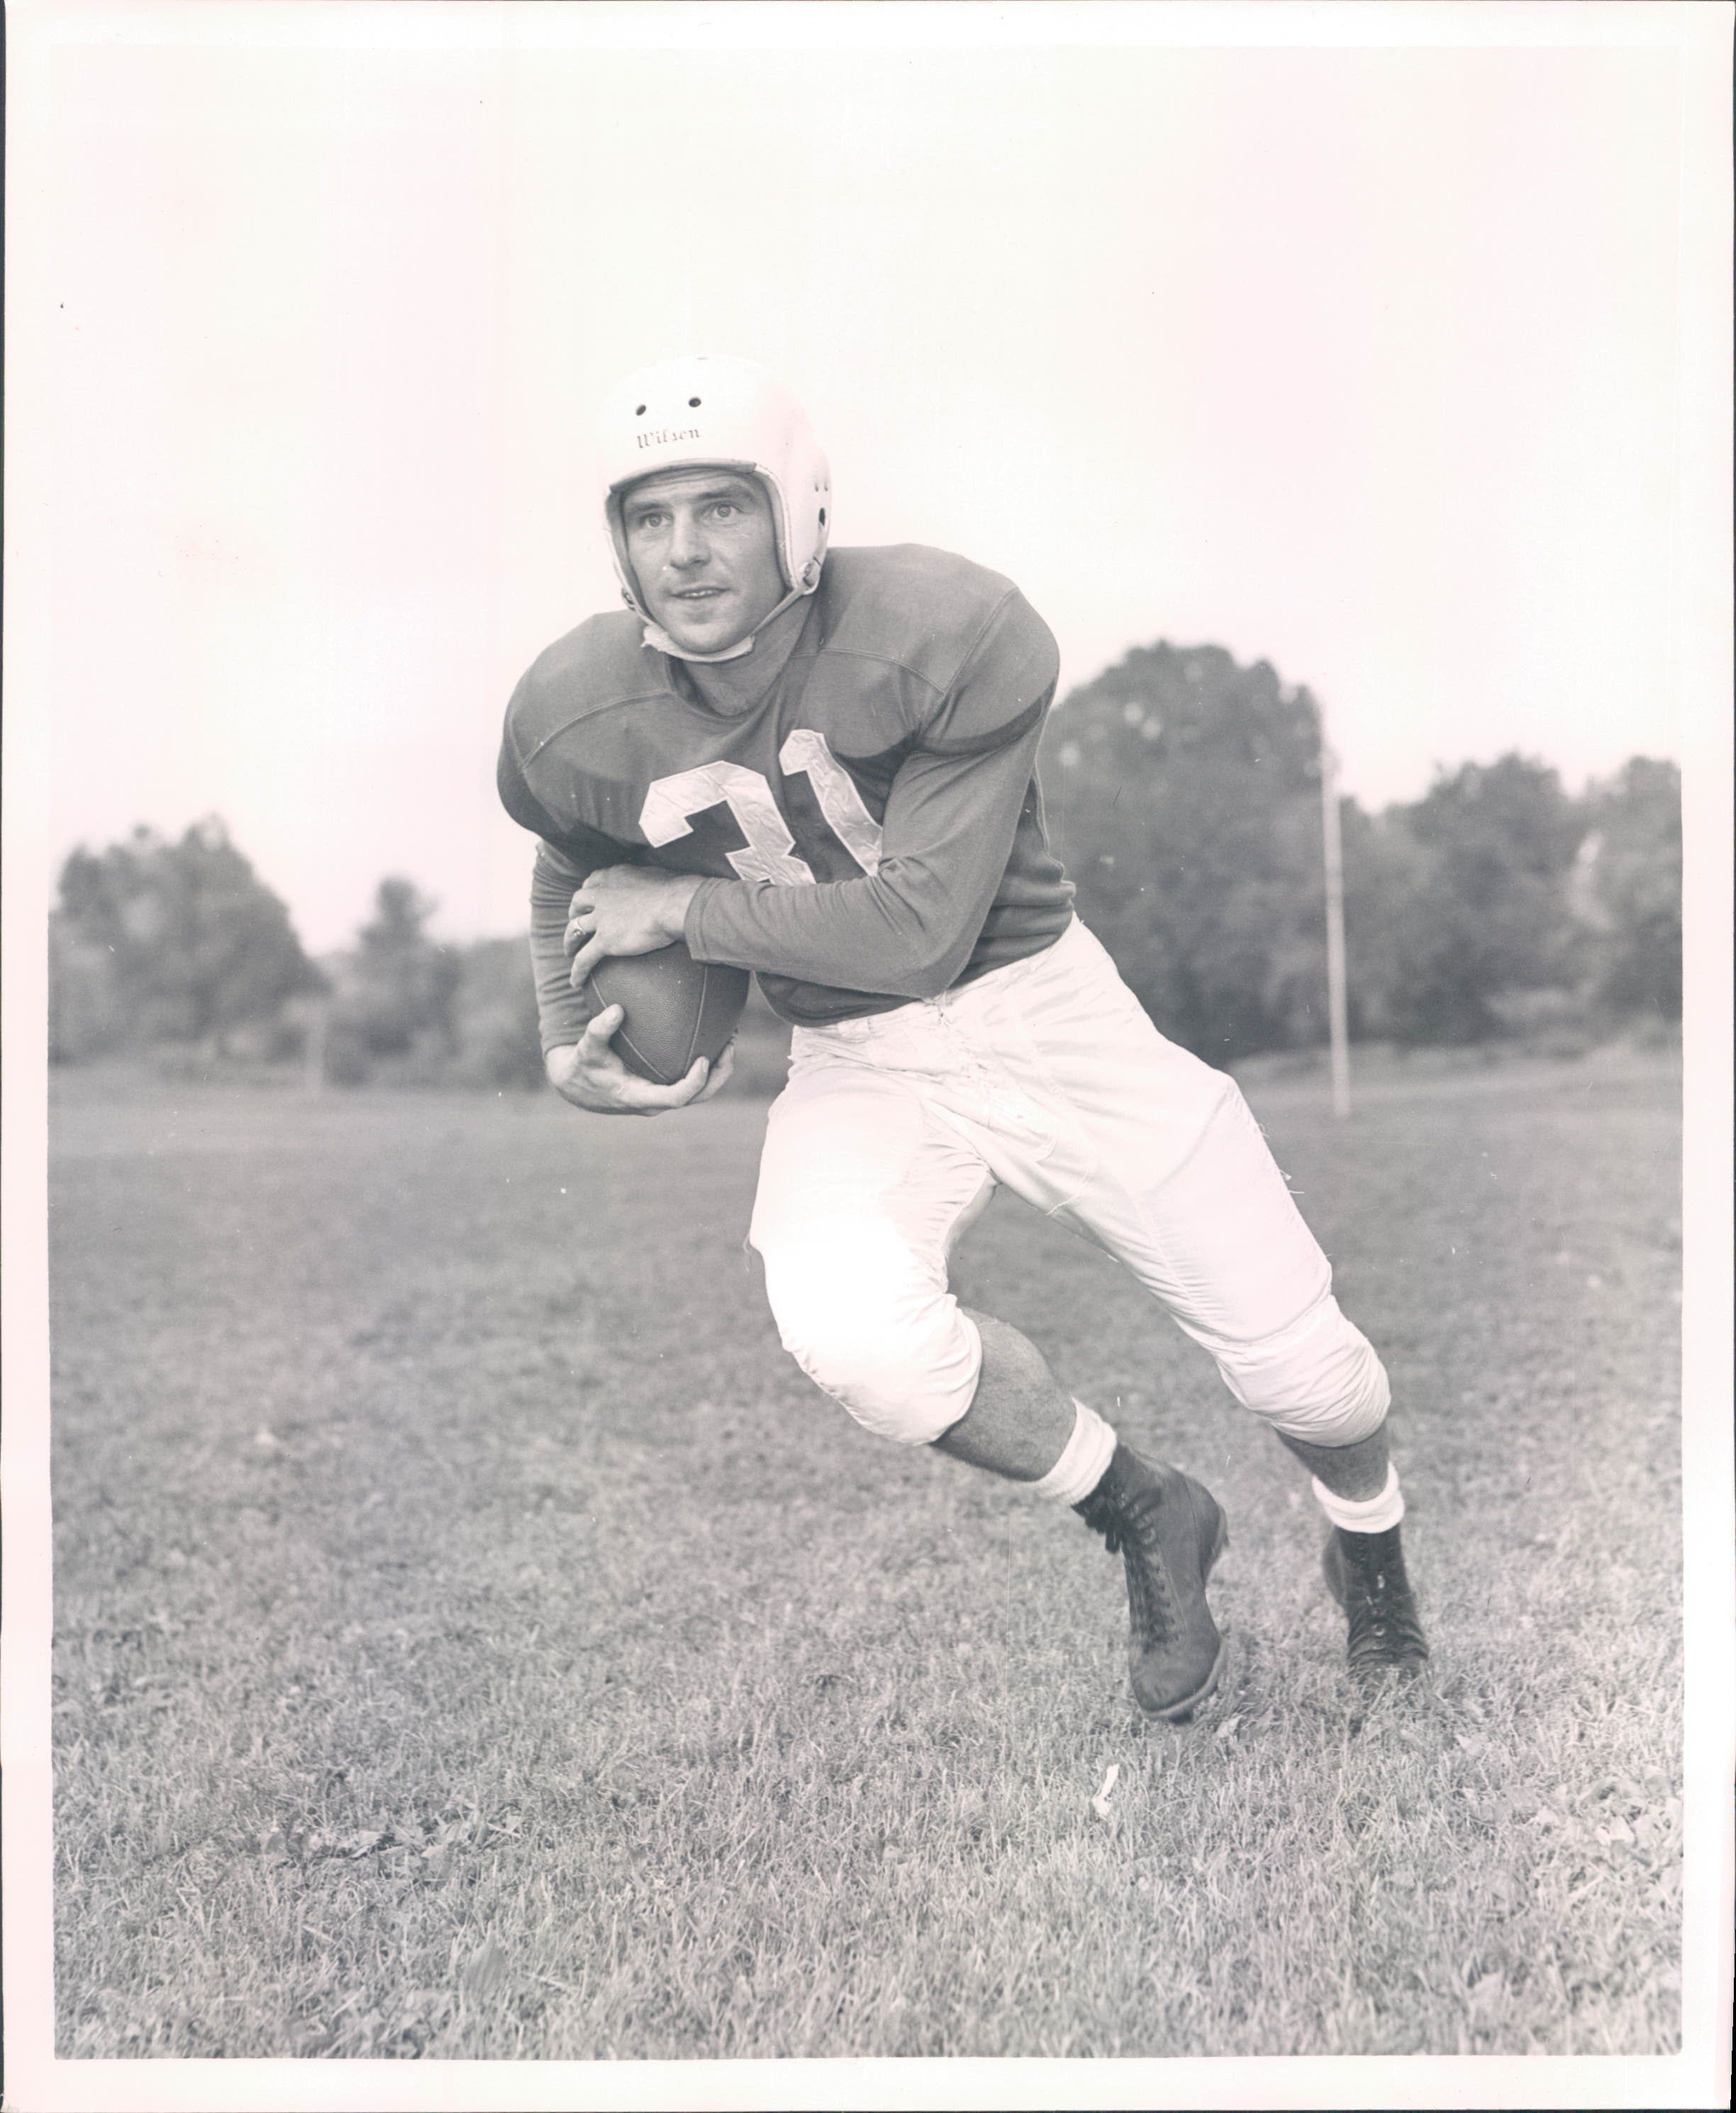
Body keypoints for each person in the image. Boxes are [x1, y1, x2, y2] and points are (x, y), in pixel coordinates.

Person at [497, 355, 1427, 1717]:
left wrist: (685, 910)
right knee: (848, 1329)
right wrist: (562, 1022)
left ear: (795, 509)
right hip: (858, 1059)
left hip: (1039, 1008)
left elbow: (918, 928)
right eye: (651, 518)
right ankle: (1147, 1512)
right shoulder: (576, 707)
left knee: (1308, 1369)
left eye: (720, 508)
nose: (686, 551)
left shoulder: (940, 627)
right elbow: (574, 847)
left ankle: (1373, 1546)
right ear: (616, 545)